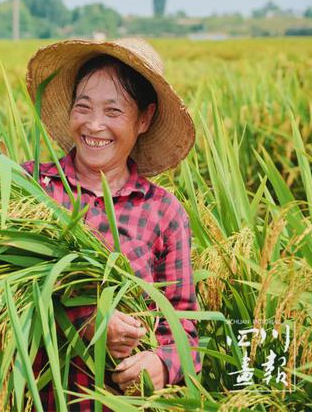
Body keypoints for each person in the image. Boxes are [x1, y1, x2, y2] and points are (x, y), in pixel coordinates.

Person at [20, 38, 201, 410]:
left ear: (145, 119)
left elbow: (184, 330)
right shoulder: (30, 188)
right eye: (82, 107)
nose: (94, 124)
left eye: (113, 111)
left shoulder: (163, 212)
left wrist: (162, 365)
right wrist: (83, 321)